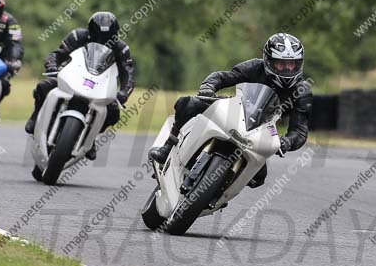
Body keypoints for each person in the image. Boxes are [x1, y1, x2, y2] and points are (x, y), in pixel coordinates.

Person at [148, 32, 312, 188]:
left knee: (258, 179)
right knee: (187, 104)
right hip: (236, 110)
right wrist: (208, 87)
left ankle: (221, 188)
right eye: (282, 64)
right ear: (268, 61)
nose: (288, 69)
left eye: (292, 64)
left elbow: (299, 130)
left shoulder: (301, 90)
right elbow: (223, 77)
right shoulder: (255, 67)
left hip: (263, 130)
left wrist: (287, 142)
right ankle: (168, 147)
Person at [24, 12, 135, 160]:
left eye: (107, 38)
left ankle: (91, 135)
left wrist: (123, 93)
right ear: (90, 31)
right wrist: (52, 66)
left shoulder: (121, 49)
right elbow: (57, 54)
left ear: (115, 34)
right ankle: (35, 116)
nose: (101, 41)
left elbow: (128, 75)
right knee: (43, 87)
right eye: (97, 36)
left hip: (99, 85)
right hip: (72, 76)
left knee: (113, 112)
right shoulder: (77, 36)